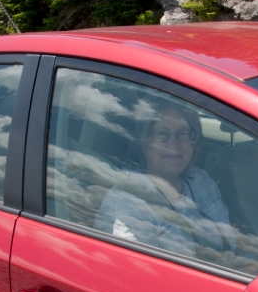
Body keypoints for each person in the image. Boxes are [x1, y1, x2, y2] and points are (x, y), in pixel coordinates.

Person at [94, 100, 236, 260]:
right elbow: (142, 273)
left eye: (182, 134)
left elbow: (228, 243)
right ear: (144, 143)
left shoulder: (200, 180)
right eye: (162, 134)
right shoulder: (127, 204)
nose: (174, 145)